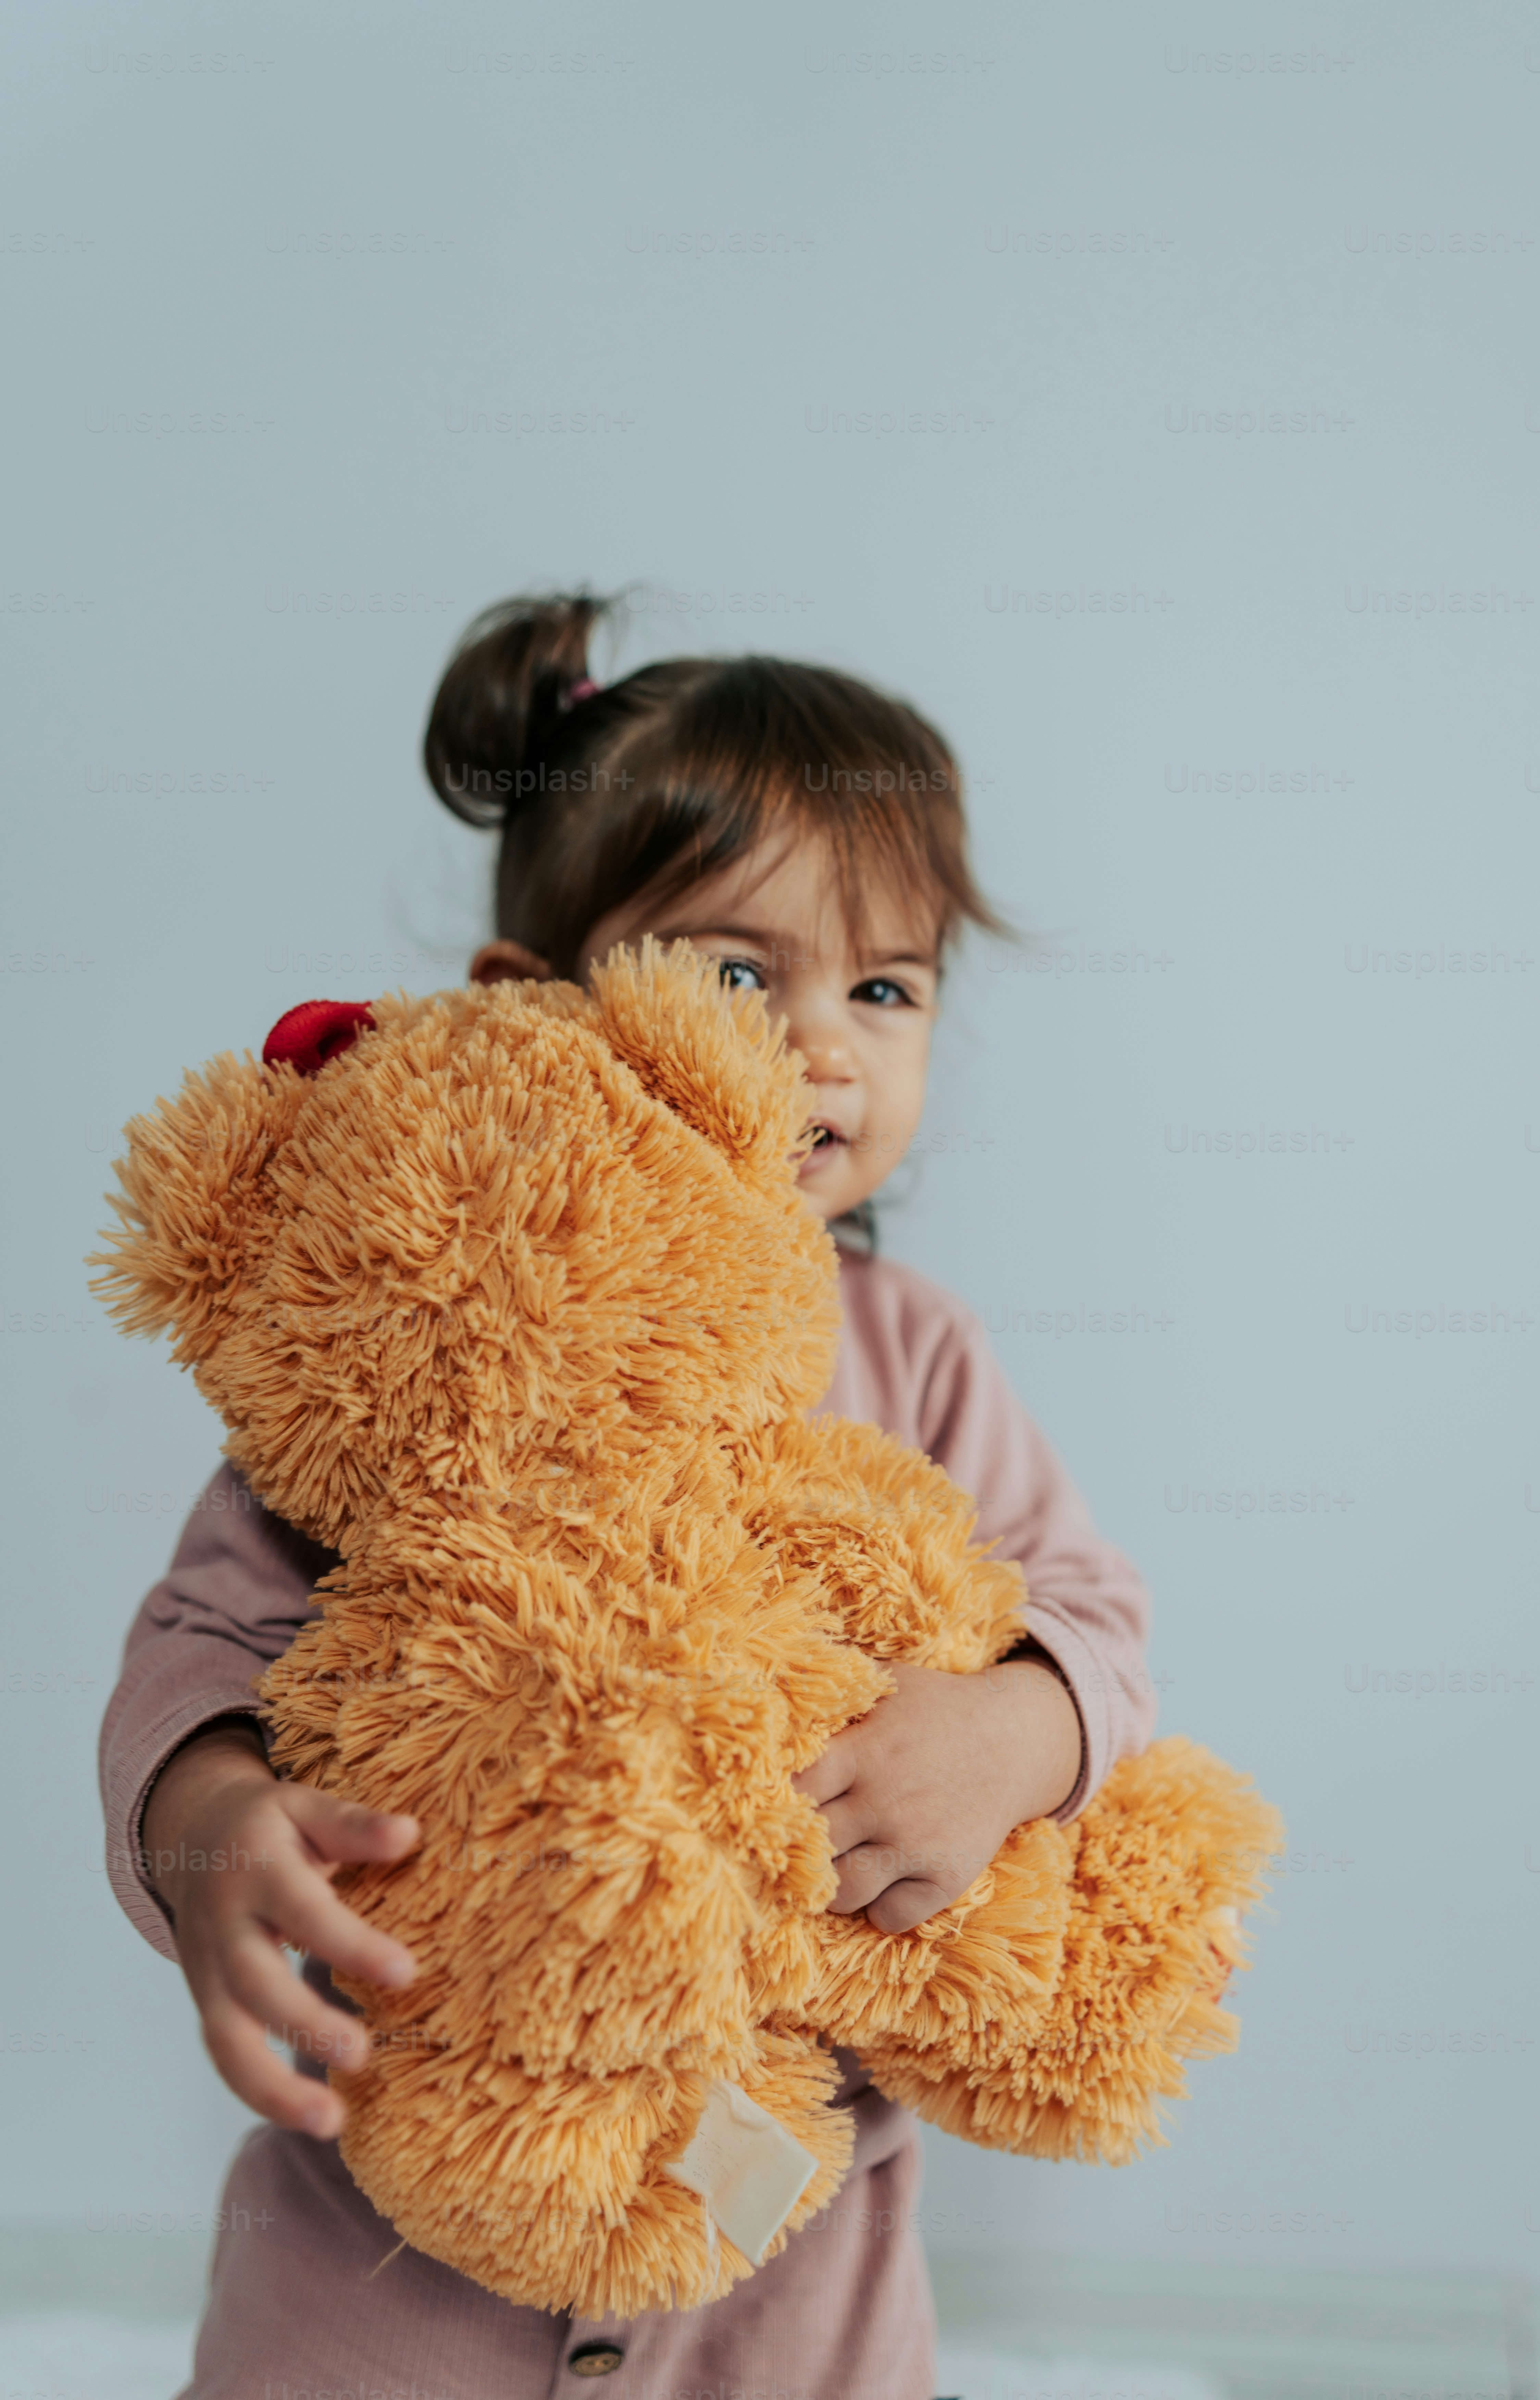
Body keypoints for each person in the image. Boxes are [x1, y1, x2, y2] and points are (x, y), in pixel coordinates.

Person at [99, 593, 1157, 2400]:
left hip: (794, 2263)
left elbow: (1098, 1620)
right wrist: (212, 1830)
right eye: (741, 975)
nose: (826, 1044)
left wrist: (1016, 1729)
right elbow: (206, 1637)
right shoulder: (419, 1358)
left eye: (885, 987)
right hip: (392, 2236)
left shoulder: (917, 1352)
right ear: (540, 1006)